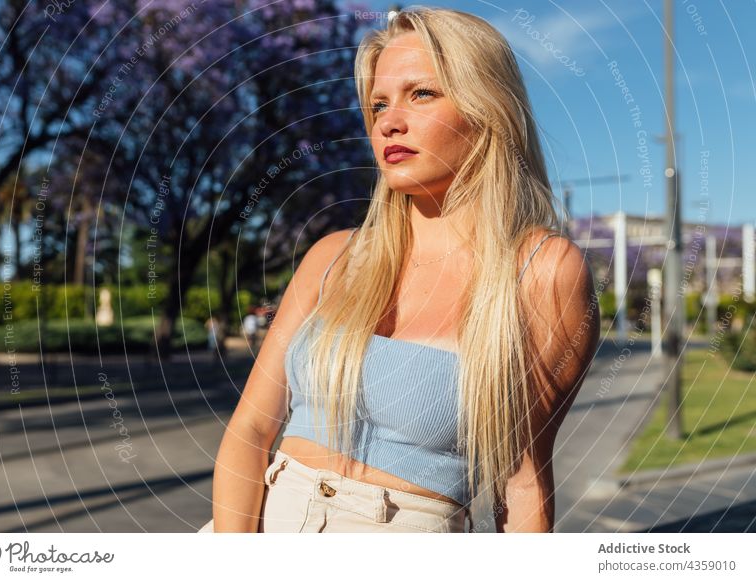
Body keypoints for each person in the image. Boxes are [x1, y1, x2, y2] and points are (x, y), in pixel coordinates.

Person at [204, 6, 599, 533]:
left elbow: (522, 483)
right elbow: (252, 430)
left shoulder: (542, 272)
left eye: (422, 94)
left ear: (488, 109)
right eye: (378, 104)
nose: (389, 120)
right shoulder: (334, 257)